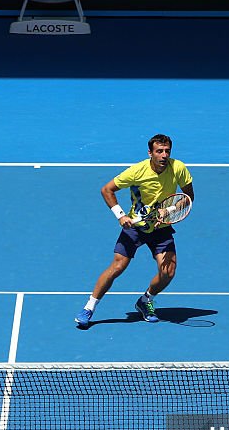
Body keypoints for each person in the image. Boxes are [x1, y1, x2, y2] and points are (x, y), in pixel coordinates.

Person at [75, 134, 194, 328]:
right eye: (159, 151)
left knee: (168, 272)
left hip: (161, 228)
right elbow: (107, 190)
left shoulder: (178, 168)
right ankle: (89, 307)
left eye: (167, 151)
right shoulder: (137, 171)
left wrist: (169, 210)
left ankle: (146, 300)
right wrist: (121, 215)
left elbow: (188, 197)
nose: (164, 155)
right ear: (150, 153)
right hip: (136, 227)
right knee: (117, 267)